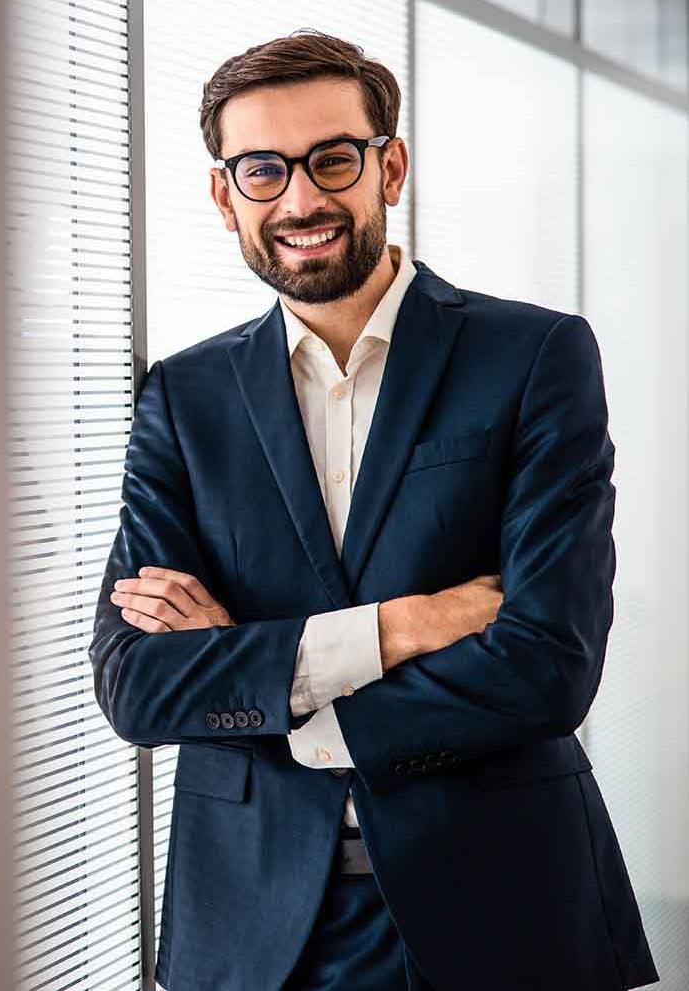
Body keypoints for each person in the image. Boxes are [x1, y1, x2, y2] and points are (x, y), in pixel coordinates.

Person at [89, 28, 660, 991]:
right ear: (225, 195)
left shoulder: (534, 358)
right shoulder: (182, 400)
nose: (302, 199)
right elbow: (140, 685)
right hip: (252, 926)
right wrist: (413, 623)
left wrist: (266, 679)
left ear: (388, 166)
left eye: (333, 159)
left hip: (503, 903)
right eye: (263, 169)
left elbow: (550, 664)